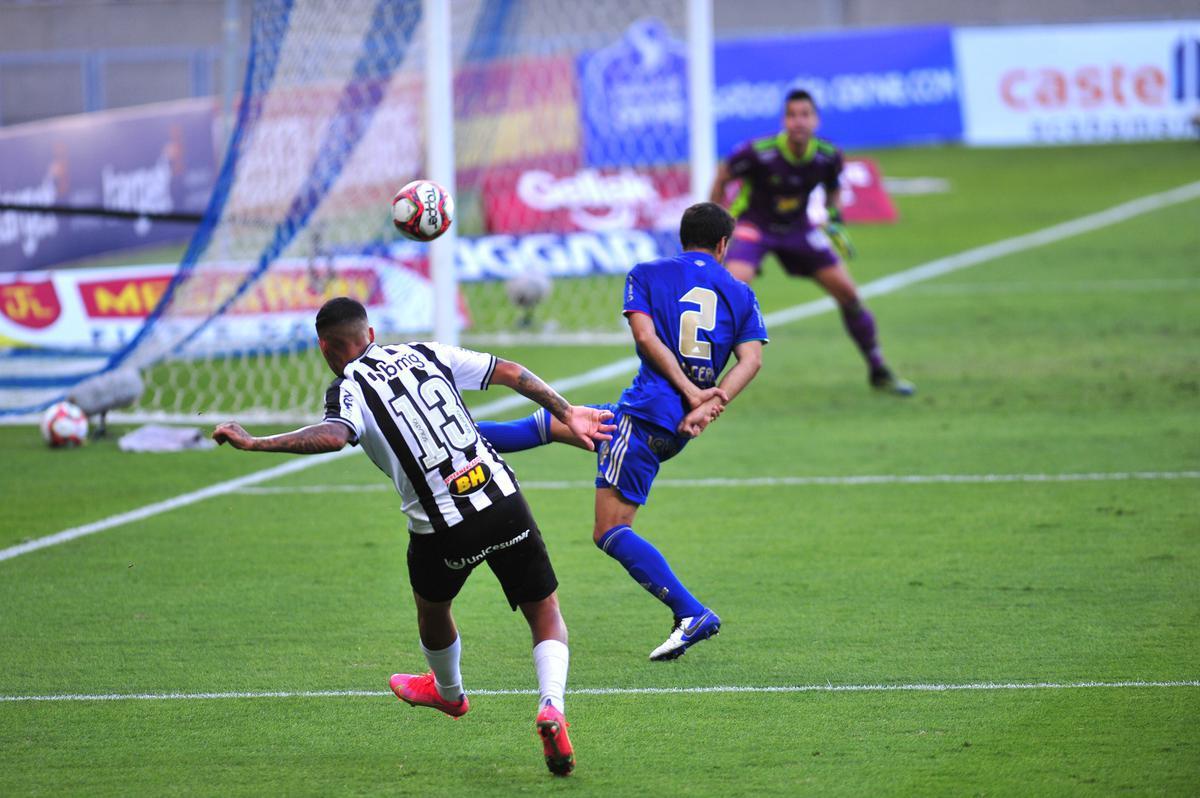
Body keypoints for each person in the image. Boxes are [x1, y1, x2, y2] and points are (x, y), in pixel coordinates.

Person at [211, 297, 615, 777]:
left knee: (433, 609)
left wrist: (257, 442)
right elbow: (510, 371)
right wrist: (567, 411)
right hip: (503, 501)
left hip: (442, 528)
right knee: (544, 611)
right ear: (371, 333)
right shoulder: (425, 352)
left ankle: (449, 693)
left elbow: (335, 436)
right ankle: (551, 706)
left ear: (324, 347)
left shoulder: (348, 387)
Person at [477, 202, 766, 662]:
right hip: (667, 423)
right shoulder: (741, 292)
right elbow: (751, 360)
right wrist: (709, 403)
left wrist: (690, 391)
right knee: (555, 424)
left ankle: (691, 612)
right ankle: (454, 435)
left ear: (682, 237)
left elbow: (646, 338)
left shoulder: (647, 273)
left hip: (645, 416)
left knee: (610, 530)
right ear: (723, 244)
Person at [709, 88, 914, 396]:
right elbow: (723, 175)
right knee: (731, 290)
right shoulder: (758, 152)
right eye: (792, 115)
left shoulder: (827, 155)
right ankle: (701, 373)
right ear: (784, 121)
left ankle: (878, 369)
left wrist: (833, 217)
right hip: (755, 227)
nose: (798, 121)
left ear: (815, 120)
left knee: (849, 295)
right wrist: (718, 222)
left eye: (804, 115)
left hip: (798, 229)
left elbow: (833, 189)